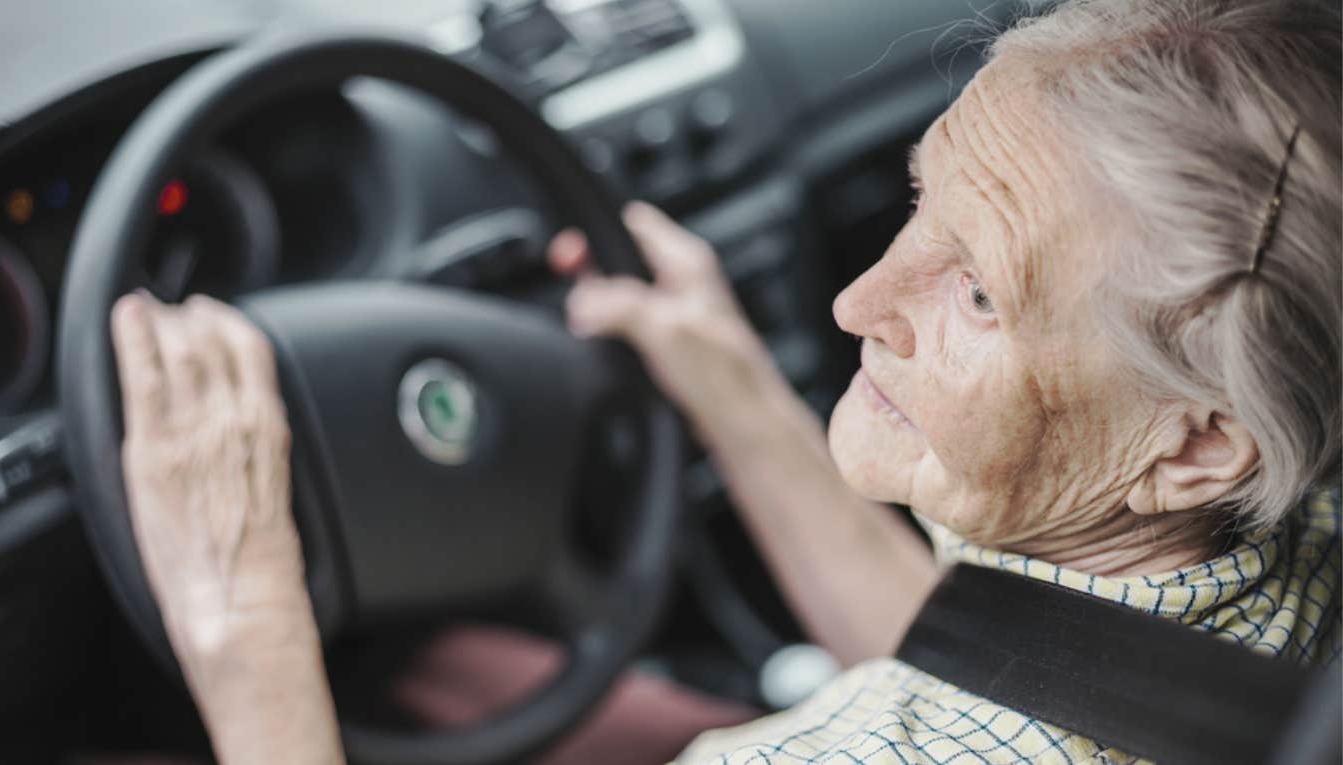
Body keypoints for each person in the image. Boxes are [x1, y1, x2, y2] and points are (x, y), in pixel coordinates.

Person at [106, 0, 1341, 762]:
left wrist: (247, 628)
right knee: (450, 675)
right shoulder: (1262, 538)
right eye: (922, 200)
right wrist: (734, 389)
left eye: (977, 293)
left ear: (1194, 446)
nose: (858, 301)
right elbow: (991, 657)